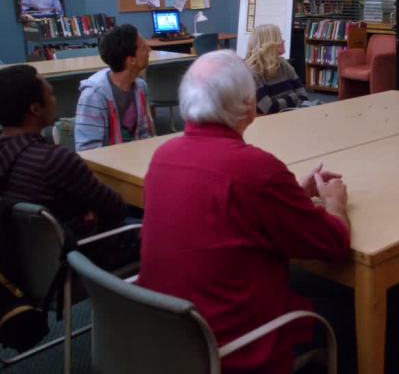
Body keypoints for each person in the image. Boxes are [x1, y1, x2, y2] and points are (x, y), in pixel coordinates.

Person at [137, 50, 350, 373]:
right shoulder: (256, 169)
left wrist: (291, 194)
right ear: (250, 106)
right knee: (345, 314)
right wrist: (335, 204)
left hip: (163, 337)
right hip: (233, 350)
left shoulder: (162, 156)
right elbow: (333, 245)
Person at [0, 65, 129, 245]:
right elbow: (116, 208)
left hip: (28, 254)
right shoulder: (55, 159)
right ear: (35, 109)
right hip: (84, 248)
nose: (55, 100)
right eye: (51, 94)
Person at [74, 24, 155, 151]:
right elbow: (87, 150)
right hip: (106, 161)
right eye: (144, 48)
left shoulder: (140, 87)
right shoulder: (94, 96)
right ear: (131, 60)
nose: (149, 50)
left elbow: (144, 133)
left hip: (135, 157)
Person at [244, 24, 311, 114]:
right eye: (278, 38)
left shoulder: (284, 64)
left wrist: (281, 102)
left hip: (291, 116)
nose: (283, 40)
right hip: (270, 121)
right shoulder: (251, 73)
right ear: (268, 43)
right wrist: (294, 97)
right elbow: (269, 108)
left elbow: (303, 97)